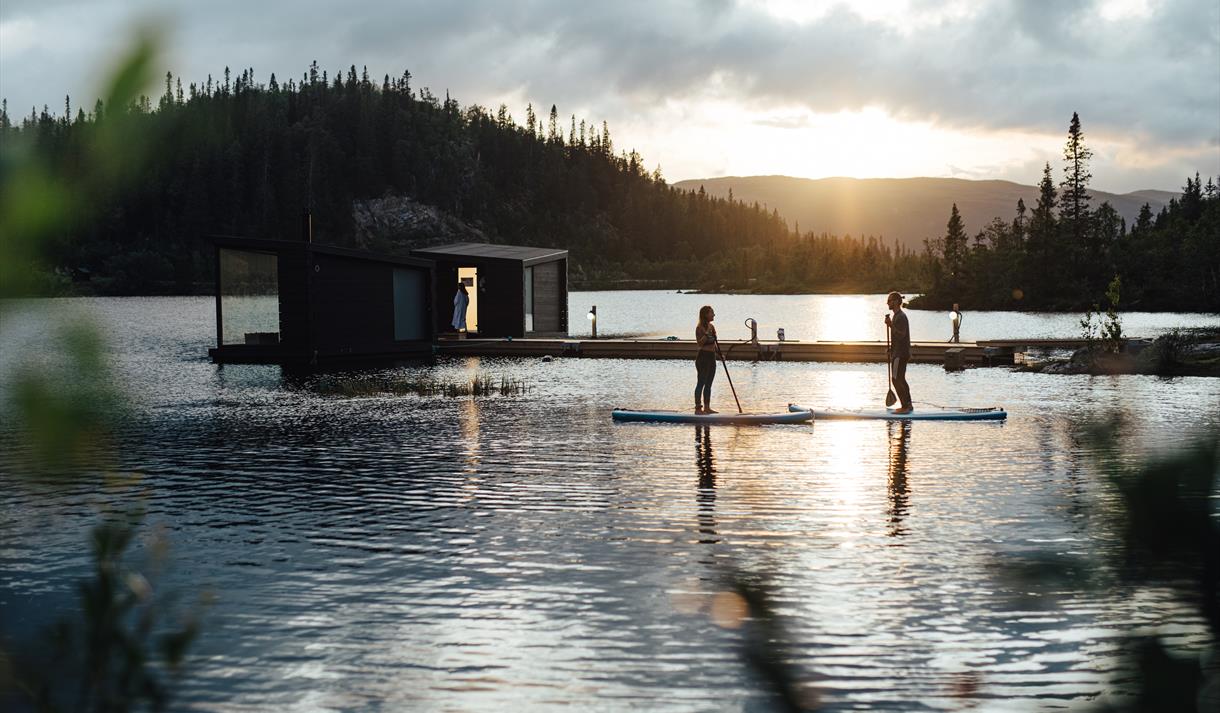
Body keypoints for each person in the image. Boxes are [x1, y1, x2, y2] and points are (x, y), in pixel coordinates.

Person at [884, 291, 913, 414]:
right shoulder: (897, 316)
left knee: (896, 379)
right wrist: (891, 348)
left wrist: (890, 325)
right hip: (900, 352)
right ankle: (908, 405)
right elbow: (898, 338)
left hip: (900, 354)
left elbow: (902, 335)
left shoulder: (900, 317)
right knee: (901, 378)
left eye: (889, 300)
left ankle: (905, 406)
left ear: (896, 301)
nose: (887, 303)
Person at [695, 305, 718, 414]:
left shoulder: (712, 327)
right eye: (711, 313)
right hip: (703, 357)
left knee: (709, 383)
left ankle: (707, 408)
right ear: (705, 315)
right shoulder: (699, 328)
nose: (714, 315)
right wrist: (706, 334)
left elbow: (715, 343)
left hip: (712, 357)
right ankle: (698, 408)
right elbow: (700, 343)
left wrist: (719, 354)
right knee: (701, 382)